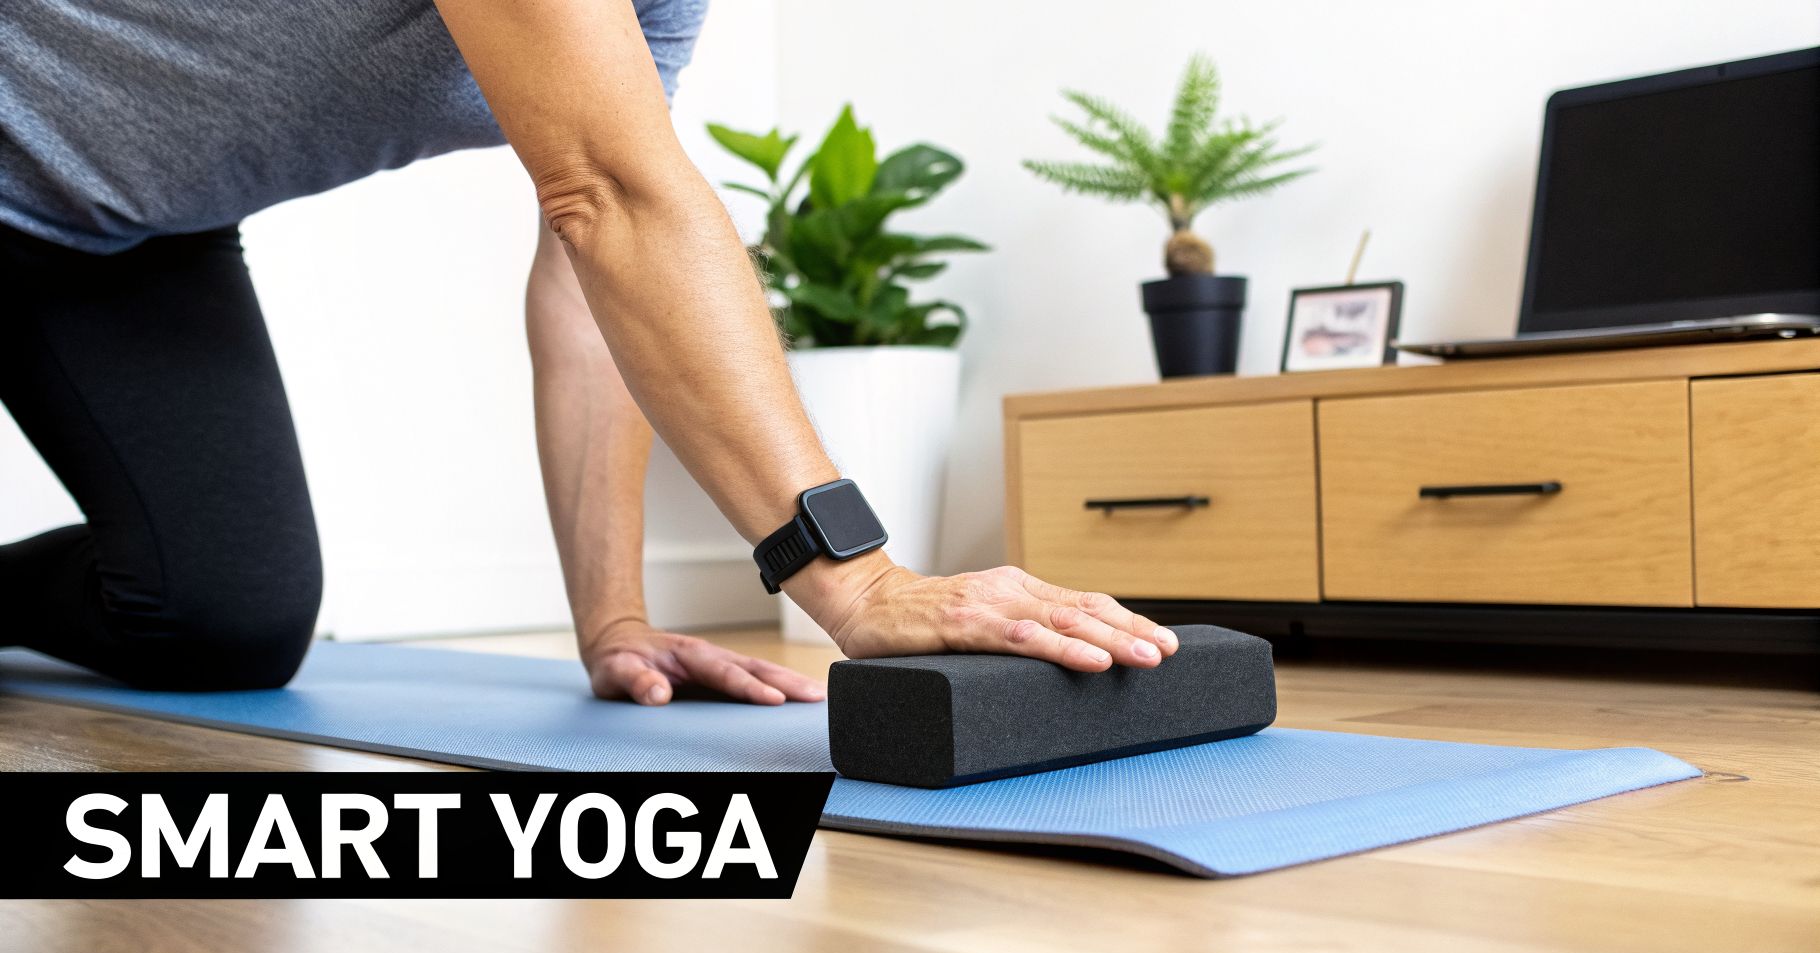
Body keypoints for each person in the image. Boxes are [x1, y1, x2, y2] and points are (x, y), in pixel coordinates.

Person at [0, 0, 1180, 705]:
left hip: (120, 235)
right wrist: (856, 579)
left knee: (222, 618)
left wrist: (611, 617)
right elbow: (609, 199)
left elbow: (587, 257)